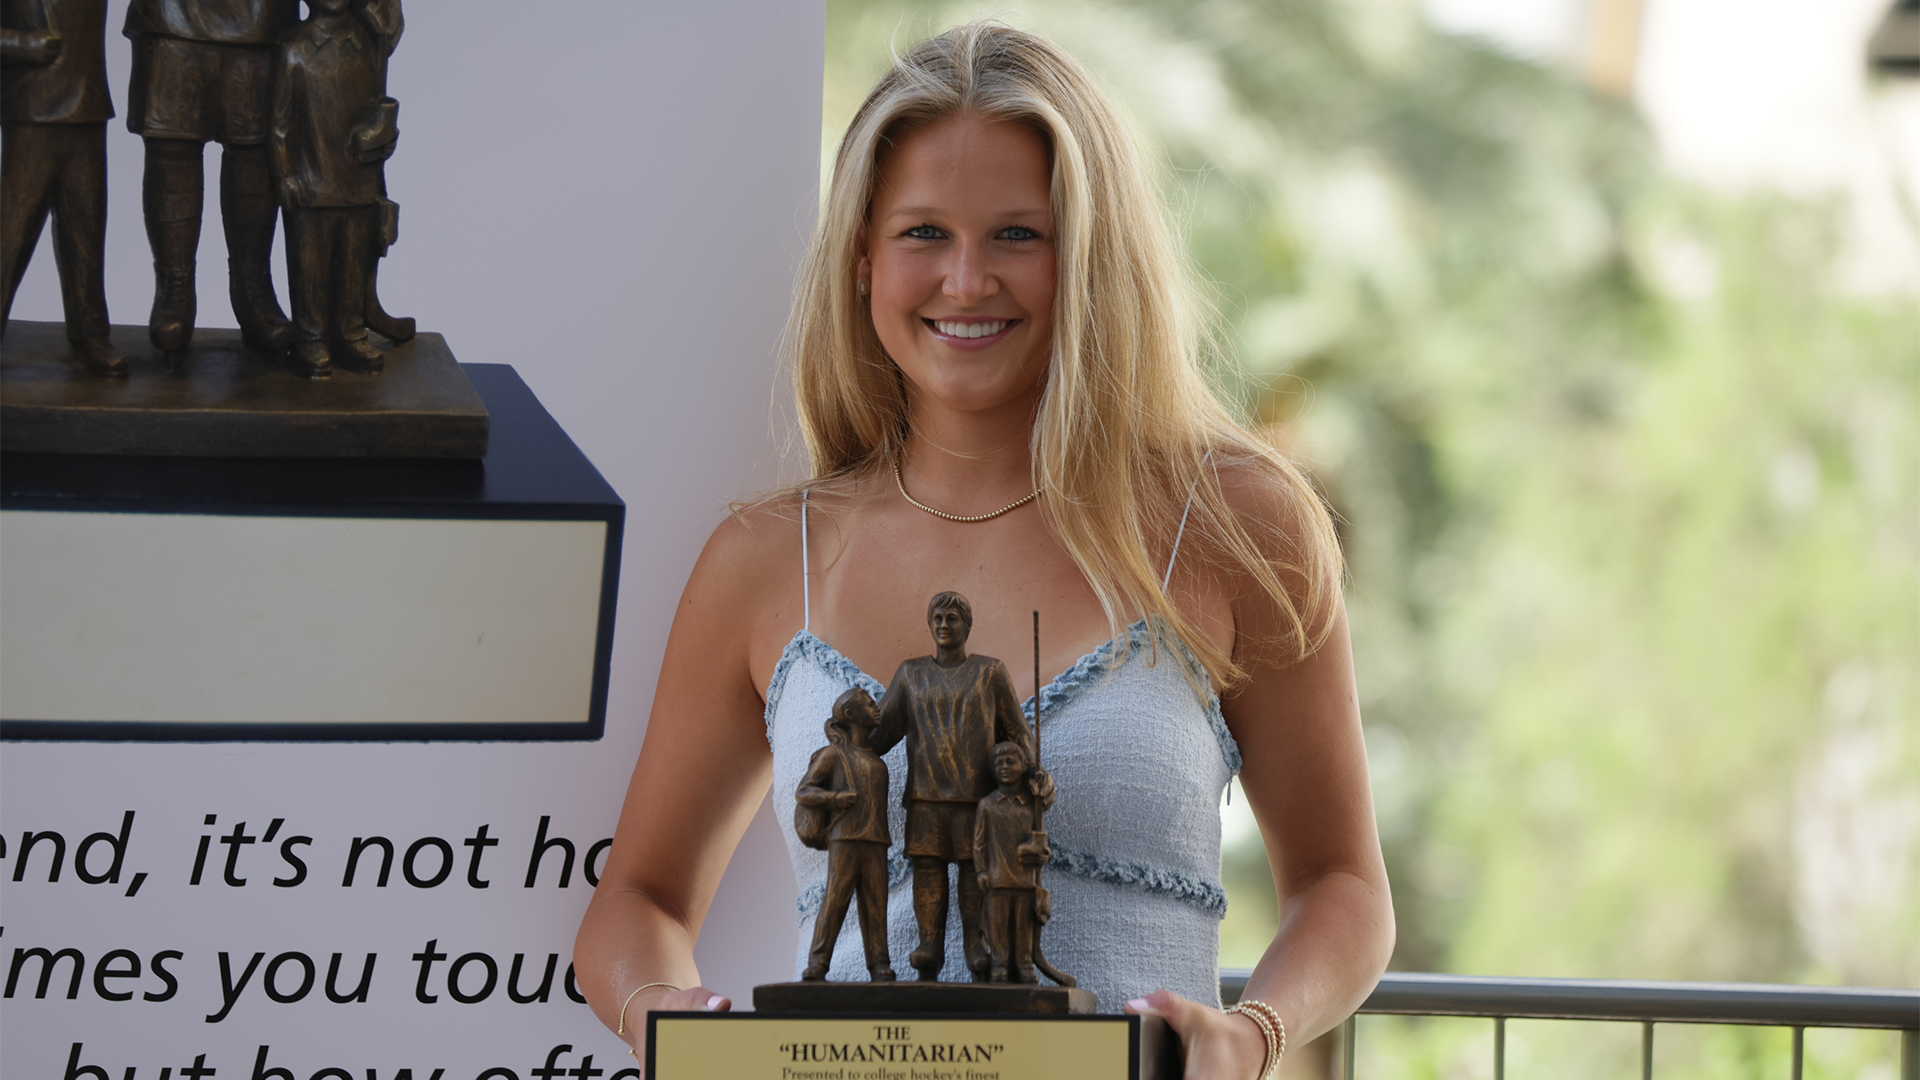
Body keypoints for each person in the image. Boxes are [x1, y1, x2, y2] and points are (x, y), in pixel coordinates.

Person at [576, 22, 1392, 1080]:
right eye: (924, 233)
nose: (966, 280)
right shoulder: (772, 557)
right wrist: (665, 1017)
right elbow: (633, 904)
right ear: (863, 257)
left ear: (1092, 257)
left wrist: (1254, 1034)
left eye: (1018, 235)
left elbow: (1345, 887)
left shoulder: (1239, 525)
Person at [122, 0, 301, 365]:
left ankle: (253, 284)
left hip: (261, 17)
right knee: (172, 144)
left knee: (255, 148)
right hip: (171, 16)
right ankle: (175, 285)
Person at [869, 590, 1036, 982]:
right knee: (927, 870)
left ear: (968, 626)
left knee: (972, 872)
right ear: (929, 625)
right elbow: (880, 732)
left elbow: (1019, 732)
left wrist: (1034, 772)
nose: (945, 626)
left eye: (953, 619)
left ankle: (975, 946)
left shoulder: (989, 673)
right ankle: (930, 944)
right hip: (925, 796)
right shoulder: (911, 674)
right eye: (938, 619)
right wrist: (846, 743)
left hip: (975, 798)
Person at [267, 0, 394, 377]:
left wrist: (385, 137)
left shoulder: (367, 47)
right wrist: (285, 175)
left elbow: (377, 112)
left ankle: (351, 333)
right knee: (310, 266)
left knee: (353, 262)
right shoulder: (294, 49)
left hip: (358, 181)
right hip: (311, 184)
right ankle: (311, 337)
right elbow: (279, 123)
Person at [1, 0, 126, 377]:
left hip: (87, 107)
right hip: (32, 111)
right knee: (12, 235)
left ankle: (90, 336)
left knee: (85, 231)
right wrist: (23, 46)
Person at [794, 687, 895, 983]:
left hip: (876, 840)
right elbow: (804, 791)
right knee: (836, 899)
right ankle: (818, 963)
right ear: (851, 715)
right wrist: (836, 799)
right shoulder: (833, 754)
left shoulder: (877, 761)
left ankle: (879, 965)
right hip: (845, 838)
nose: (876, 706)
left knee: (876, 904)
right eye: (868, 703)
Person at [973, 740, 1055, 984]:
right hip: (997, 879)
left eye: (1010, 762)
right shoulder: (986, 805)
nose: (1004, 767)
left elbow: (1042, 843)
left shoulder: (1032, 807)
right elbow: (978, 844)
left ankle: (1024, 964)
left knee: (1023, 926)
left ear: (1022, 766)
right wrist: (980, 872)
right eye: (998, 763)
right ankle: (999, 965)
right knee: (997, 925)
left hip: (1025, 879)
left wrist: (1043, 855)